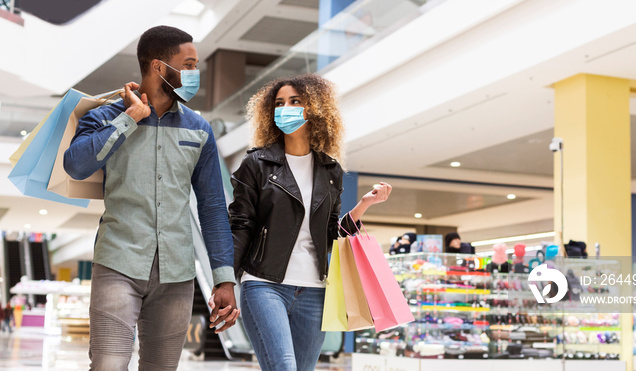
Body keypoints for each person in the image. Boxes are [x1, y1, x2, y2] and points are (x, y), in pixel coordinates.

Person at [64, 25, 239, 370]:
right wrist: (130, 119)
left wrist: (223, 277)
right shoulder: (105, 117)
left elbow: (214, 207)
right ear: (159, 67)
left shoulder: (198, 129)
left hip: (177, 273)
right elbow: (76, 165)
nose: (194, 73)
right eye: (188, 65)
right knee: (108, 364)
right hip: (118, 261)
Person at [227, 74, 392, 371]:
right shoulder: (256, 164)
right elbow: (240, 225)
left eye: (294, 101)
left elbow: (331, 234)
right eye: (279, 103)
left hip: (314, 290)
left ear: (314, 109)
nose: (285, 108)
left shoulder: (330, 170)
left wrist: (364, 205)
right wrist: (225, 281)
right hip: (265, 284)